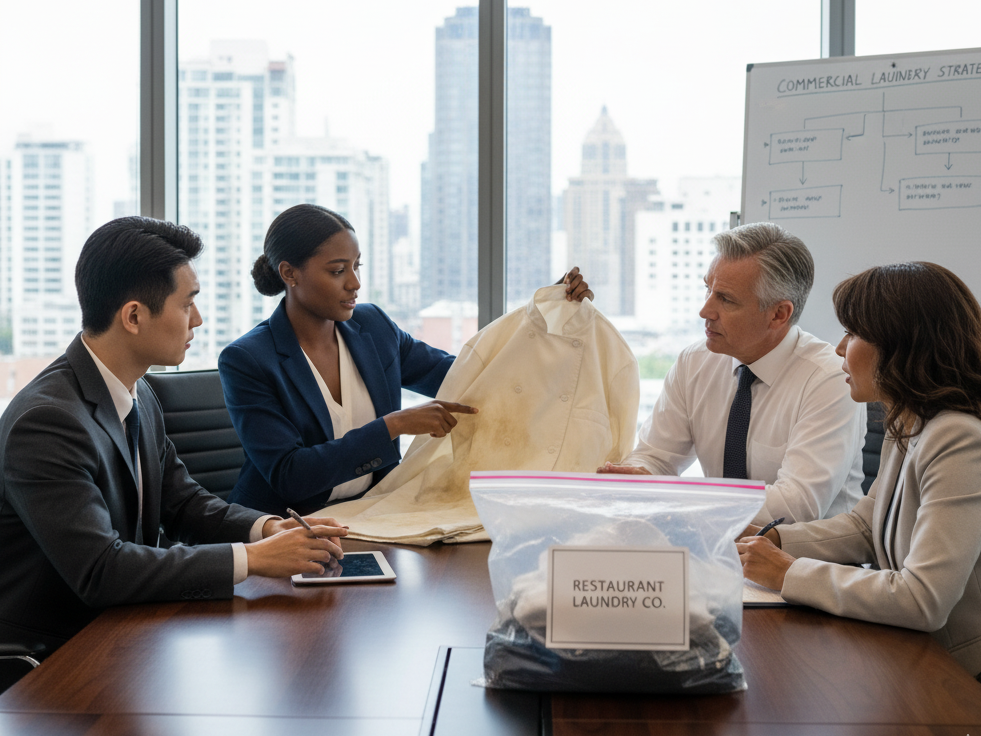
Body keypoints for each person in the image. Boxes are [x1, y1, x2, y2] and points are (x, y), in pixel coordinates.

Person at [0, 217, 347, 661]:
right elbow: (101, 570)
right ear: (133, 316)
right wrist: (253, 558)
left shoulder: (138, 390)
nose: (198, 319)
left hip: (126, 630)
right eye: (187, 304)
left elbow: (181, 502)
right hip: (53, 656)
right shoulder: (48, 421)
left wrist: (267, 529)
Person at [737, 262, 981, 723]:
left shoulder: (961, 440)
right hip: (920, 661)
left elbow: (922, 599)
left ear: (901, 345)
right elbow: (866, 527)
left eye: (852, 334)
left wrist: (789, 572)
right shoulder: (911, 420)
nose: (838, 349)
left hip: (978, 684)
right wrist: (775, 540)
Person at [220, 203, 593, 517]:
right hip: (284, 530)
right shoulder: (248, 360)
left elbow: (466, 376)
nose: (354, 283)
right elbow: (290, 475)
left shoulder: (374, 327)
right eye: (337, 271)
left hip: (370, 518)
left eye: (356, 266)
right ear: (289, 273)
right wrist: (392, 426)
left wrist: (546, 317)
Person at [598, 221, 865, 526]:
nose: (705, 310)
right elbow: (656, 456)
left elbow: (795, 506)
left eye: (725, 299)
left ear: (779, 314)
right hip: (717, 548)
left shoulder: (830, 378)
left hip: (807, 562)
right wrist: (639, 476)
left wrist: (672, 496)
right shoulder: (695, 362)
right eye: (708, 290)